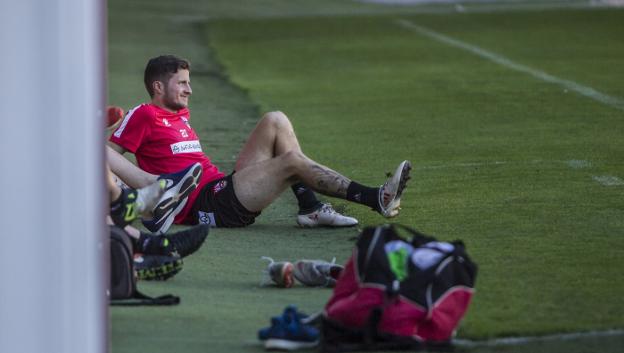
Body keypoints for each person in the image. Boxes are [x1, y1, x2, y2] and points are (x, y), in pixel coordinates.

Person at [108, 55, 411, 233]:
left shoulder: (180, 114)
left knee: (275, 120)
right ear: (158, 87)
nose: (190, 89)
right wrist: (129, 193)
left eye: (189, 81)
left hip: (221, 188)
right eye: (183, 83)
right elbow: (109, 156)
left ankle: (310, 208)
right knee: (290, 162)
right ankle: (376, 198)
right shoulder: (144, 114)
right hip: (205, 204)